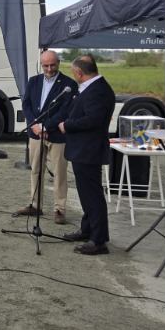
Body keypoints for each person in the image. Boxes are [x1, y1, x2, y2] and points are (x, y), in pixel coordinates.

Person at [58, 55, 115, 255]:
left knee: (92, 195)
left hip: (89, 150)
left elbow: (93, 120)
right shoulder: (92, 87)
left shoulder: (98, 91)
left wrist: (67, 125)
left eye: (74, 72)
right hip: (83, 149)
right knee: (86, 193)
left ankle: (98, 240)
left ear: (79, 73)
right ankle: (87, 229)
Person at [16, 51, 78, 224]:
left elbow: (66, 110)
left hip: (57, 135)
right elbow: (26, 104)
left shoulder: (69, 84)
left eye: (52, 65)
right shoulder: (33, 81)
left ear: (58, 63)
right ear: (41, 64)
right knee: (36, 170)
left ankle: (59, 209)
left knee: (59, 173)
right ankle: (35, 204)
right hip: (35, 133)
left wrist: (46, 126)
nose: (49, 69)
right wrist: (35, 125)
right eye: (46, 65)